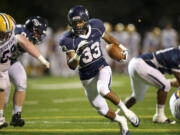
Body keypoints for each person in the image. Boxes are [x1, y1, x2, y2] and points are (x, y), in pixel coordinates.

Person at [59, 5, 140, 135]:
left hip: (101, 66)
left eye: (80, 21)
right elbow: (72, 66)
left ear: (86, 20)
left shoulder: (96, 25)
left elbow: (109, 39)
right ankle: (122, 121)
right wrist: (78, 55)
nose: (78, 25)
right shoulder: (67, 39)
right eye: (75, 22)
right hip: (86, 76)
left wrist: (122, 47)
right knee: (101, 109)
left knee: (103, 89)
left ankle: (127, 112)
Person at [0, 13, 49, 128]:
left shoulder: (14, 31)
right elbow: (23, 41)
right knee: (4, 93)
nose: (39, 36)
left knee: (21, 81)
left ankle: (16, 115)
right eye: (38, 32)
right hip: (3, 63)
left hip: (11, 61)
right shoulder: (22, 32)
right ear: (32, 29)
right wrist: (43, 60)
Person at [116, 47, 180, 124]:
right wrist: (167, 83)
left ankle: (117, 114)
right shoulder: (177, 55)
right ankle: (159, 116)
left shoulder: (175, 52)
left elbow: (177, 82)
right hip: (141, 65)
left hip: (136, 64)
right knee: (165, 85)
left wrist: (168, 82)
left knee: (137, 97)